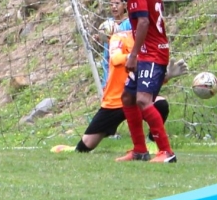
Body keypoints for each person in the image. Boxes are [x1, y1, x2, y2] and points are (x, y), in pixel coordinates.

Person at [51, 29, 187, 154]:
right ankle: (74, 149)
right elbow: (116, 59)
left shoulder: (152, 41)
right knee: (86, 145)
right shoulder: (119, 37)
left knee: (161, 104)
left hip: (136, 97)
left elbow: (149, 78)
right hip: (115, 100)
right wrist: (134, 57)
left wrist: (166, 76)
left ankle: (151, 144)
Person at [118, 0, 175, 163]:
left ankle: (167, 152)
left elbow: (143, 21)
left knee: (143, 99)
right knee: (128, 96)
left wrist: (133, 55)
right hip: (150, 51)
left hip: (150, 53)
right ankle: (140, 150)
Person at [99, 0, 131, 87]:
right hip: (109, 65)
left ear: (125, 5)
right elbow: (105, 43)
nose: (114, 6)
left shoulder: (129, 23)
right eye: (111, 4)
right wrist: (99, 37)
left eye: (117, 3)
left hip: (124, 65)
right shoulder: (107, 24)